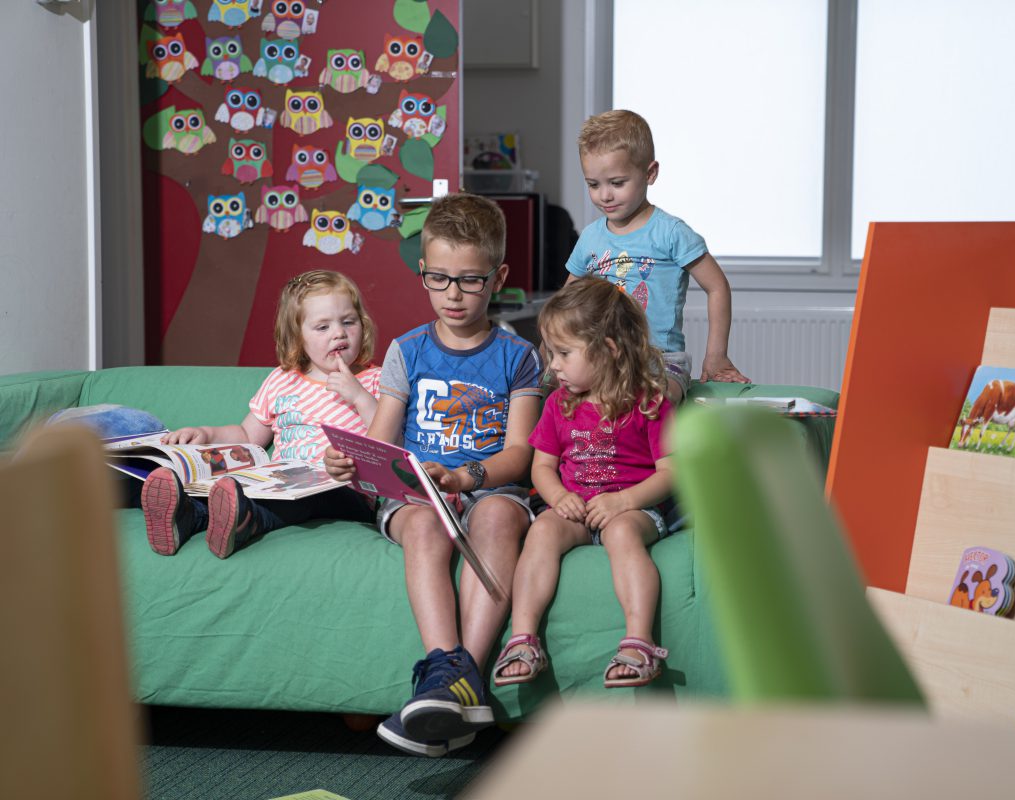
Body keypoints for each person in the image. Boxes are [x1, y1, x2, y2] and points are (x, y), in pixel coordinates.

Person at [324, 193, 542, 758]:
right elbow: (381, 438)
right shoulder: (407, 350)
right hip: (420, 493)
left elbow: (520, 452)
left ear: (499, 278)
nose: (453, 294)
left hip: (487, 486)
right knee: (421, 526)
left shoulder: (519, 356)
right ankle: (452, 674)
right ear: (422, 272)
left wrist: (470, 477)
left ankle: (452, 685)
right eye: (439, 279)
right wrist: (351, 461)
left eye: (470, 281)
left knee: (497, 515)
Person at [492, 277, 676, 690]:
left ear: (608, 350)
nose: (552, 365)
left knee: (624, 532)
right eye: (550, 352)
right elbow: (542, 467)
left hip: (633, 508)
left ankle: (638, 642)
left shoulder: (648, 401)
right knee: (541, 530)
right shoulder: (559, 403)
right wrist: (558, 497)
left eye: (563, 353)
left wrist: (623, 501)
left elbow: (671, 472)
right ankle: (522, 638)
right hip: (576, 509)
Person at [141, 269, 380, 559]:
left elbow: (390, 435)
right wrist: (205, 434)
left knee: (307, 497)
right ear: (298, 337)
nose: (339, 333)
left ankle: (248, 521)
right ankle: (188, 515)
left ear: (362, 325)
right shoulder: (283, 380)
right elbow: (246, 436)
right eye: (323, 327)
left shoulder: (374, 380)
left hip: (346, 490)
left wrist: (358, 396)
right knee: (237, 488)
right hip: (282, 482)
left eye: (348, 322)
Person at [567, 108, 750, 403]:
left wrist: (716, 356)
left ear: (650, 173)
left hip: (659, 358)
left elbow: (717, 287)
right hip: (599, 356)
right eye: (593, 185)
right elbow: (568, 300)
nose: (605, 195)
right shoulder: (590, 238)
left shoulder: (671, 232)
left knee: (654, 403)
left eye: (617, 183)